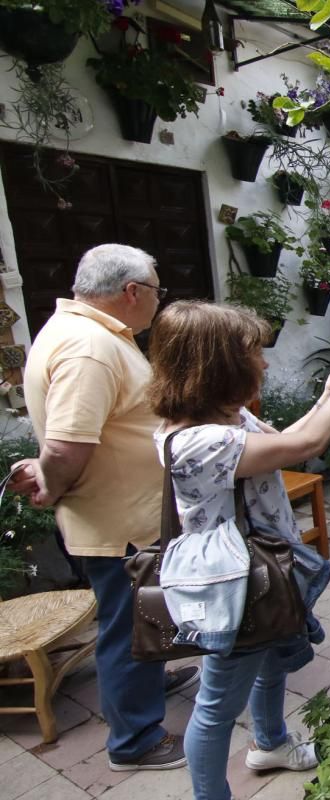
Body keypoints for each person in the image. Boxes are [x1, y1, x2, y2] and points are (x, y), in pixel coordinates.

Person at [145, 302, 330, 800]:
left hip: (265, 570)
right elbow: (304, 445)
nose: (263, 363)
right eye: (252, 353)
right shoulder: (197, 442)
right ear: (218, 364)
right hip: (234, 583)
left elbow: (294, 441)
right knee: (216, 706)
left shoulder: (228, 416)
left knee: (272, 662)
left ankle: (270, 744)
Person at [13, 244, 198, 771]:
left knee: (142, 620)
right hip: (117, 526)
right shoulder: (89, 347)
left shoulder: (90, 334)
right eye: (157, 292)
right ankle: (134, 741)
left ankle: (148, 685)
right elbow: (68, 445)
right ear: (132, 292)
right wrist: (51, 483)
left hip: (125, 519)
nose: (159, 302)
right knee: (127, 628)